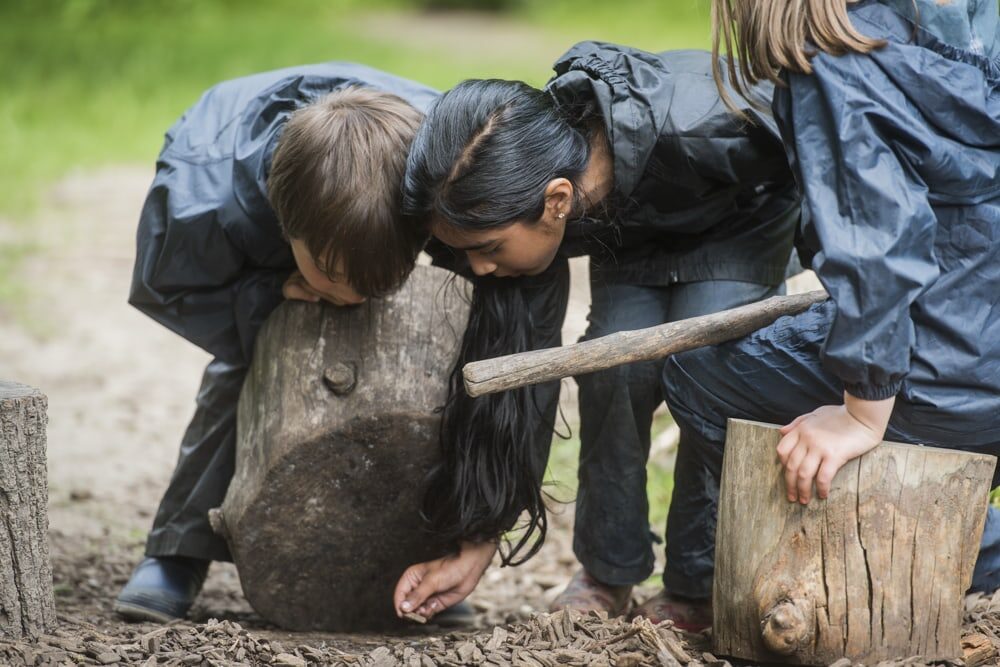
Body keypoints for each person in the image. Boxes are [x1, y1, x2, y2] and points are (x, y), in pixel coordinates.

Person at [394, 41, 802, 626]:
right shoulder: (523, 194)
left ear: (556, 201)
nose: (478, 269)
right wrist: (479, 536)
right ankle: (607, 570)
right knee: (613, 370)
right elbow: (525, 376)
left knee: (711, 372)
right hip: (630, 234)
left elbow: (828, 155)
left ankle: (697, 580)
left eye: (485, 250)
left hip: (741, 221)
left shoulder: (714, 124)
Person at [650, 0, 1000, 627]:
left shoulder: (838, 64)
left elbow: (878, 249)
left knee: (697, 376)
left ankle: (958, 554)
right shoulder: (976, 31)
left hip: (960, 378)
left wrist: (863, 412)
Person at [115, 62, 437, 622]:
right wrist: (265, 293)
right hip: (248, 203)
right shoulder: (199, 199)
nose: (354, 298)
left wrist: (364, 276)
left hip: (369, 192)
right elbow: (166, 288)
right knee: (240, 367)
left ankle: (425, 566)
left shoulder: (439, 160)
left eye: (371, 285)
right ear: (287, 231)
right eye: (337, 277)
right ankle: (178, 548)